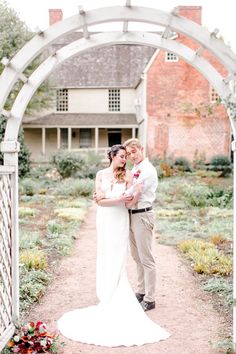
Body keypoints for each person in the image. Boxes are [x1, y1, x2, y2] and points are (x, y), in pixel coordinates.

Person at [57, 144, 170, 347]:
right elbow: (99, 201)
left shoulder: (127, 176)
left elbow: (127, 202)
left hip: (120, 218)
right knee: (106, 253)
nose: (124, 159)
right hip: (105, 219)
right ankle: (108, 290)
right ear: (111, 156)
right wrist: (113, 198)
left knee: (121, 254)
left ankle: (126, 291)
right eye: (121, 156)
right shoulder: (101, 174)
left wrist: (126, 195)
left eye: (126, 156)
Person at [123, 138, 157, 311]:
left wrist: (114, 195)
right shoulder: (135, 169)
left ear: (141, 149)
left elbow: (132, 190)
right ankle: (141, 291)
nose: (131, 156)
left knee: (146, 258)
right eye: (128, 154)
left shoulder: (148, 170)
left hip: (142, 215)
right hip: (131, 215)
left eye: (134, 151)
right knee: (136, 257)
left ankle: (150, 299)